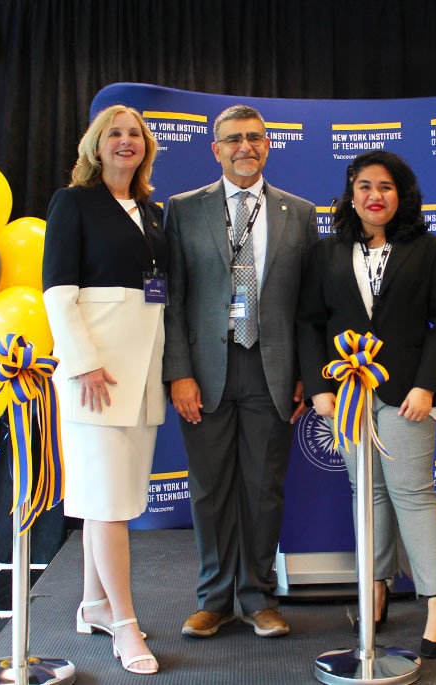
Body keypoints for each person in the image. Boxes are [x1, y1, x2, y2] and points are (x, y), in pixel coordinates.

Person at [163, 104, 318, 639]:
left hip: (272, 371)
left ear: (268, 144)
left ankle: (258, 598)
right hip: (204, 372)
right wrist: (178, 373)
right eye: (233, 140)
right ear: (216, 149)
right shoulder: (182, 210)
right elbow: (173, 298)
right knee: (208, 490)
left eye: (254, 138)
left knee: (263, 488)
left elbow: (307, 306)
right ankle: (214, 600)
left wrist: (308, 374)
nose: (244, 147)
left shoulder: (300, 212)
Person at [297, 151, 436, 658]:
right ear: (351, 195)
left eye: (385, 187)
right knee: (367, 493)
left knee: (413, 493)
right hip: (346, 395)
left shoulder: (428, 249)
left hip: (407, 394)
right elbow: (309, 322)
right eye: (364, 186)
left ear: (401, 194)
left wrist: (428, 385)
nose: (374, 195)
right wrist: (318, 385)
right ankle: (376, 586)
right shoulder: (326, 252)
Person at [43, 104, 168, 674]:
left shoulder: (152, 210)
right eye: (115, 133)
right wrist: (83, 363)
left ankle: (93, 603)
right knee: (109, 504)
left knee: (105, 500)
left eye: (135, 134)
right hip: (97, 376)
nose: (126, 141)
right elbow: (57, 293)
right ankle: (124, 624)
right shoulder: (73, 203)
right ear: (96, 145)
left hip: (143, 372)